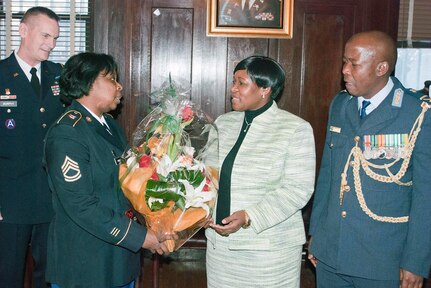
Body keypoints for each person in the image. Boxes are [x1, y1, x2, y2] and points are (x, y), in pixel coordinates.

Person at [308, 31, 431, 288]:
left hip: (383, 259)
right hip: (332, 251)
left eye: (354, 63)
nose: (344, 70)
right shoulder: (341, 105)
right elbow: (328, 176)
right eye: (345, 61)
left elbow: (425, 195)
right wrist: (317, 235)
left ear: (381, 68)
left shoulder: (417, 113)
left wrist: (416, 261)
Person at [43, 52, 172, 287]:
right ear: (89, 82)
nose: (120, 86)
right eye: (112, 79)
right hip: (86, 263)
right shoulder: (67, 133)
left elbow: (125, 186)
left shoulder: (109, 125)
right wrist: (140, 237)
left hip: (119, 258)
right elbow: (81, 205)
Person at [206, 55, 316, 287]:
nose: (233, 89)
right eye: (233, 82)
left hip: (269, 251)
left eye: (241, 83)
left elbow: (298, 190)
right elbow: (208, 178)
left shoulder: (295, 129)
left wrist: (249, 216)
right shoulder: (222, 124)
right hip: (220, 249)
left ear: (265, 88)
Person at [0, 6, 64, 287]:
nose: (51, 45)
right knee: (7, 274)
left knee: (48, 275)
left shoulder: (60, 76)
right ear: (23, 31)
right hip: (9, 200)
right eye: (46, 36)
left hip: (51, 197)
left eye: (55, 39)